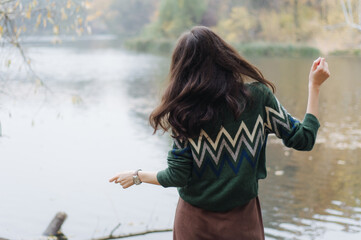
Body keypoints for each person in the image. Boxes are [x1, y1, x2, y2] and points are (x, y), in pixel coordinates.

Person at [109, 26, 330, 240]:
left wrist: (137, 176)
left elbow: (177, 176)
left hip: (194, 224)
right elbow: (304, 139)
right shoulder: (257, 98)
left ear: (182, 69)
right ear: (224, 56)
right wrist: (314, 86)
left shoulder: (184, 112)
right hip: (243, 223)